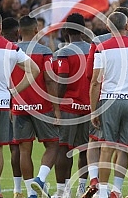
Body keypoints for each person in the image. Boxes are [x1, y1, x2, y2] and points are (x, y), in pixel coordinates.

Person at [90, 12, 128, 198]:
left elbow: (95, 82)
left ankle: (102, 192)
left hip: (109, 100)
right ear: (127, 27)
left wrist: (94, 110)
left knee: (107, 147)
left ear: (108, 28)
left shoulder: (101, 48)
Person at [83, 7, 128, 198]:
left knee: (96, 141)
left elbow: (90, 75)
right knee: (125, 146)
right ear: (127, 24)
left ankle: (95, 181)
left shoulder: (98, 42)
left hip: (105, 97)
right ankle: (117, 189)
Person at [0, 11, 39, 198]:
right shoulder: (12, 48)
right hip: (3, 102)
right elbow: (34, 70)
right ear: (0, 27)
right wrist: (15, 91)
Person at [11, 16, 60, 198]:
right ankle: (40, 179)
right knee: (53, 144)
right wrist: (56, 107)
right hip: (42, 106)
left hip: (19, 105)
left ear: (18, 32)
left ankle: (31, 192)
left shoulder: (11, 50)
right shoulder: (44, 51)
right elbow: (49, 79)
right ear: (36, 30)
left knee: (24, 150)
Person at [53, 13, 91, 198]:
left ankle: (63, 192)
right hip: (89, 108)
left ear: (66, 30)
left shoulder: (64, 52)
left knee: (64, 148)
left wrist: (56, 108)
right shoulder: (93, 50)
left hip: (69, 109)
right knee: (85, 150)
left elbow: (63, 81)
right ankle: (82, 190)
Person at [1, 17, 24, 198]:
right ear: (18, 33)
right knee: (19, 147)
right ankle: (20, 189)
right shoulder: (19, 51)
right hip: (22, 103)